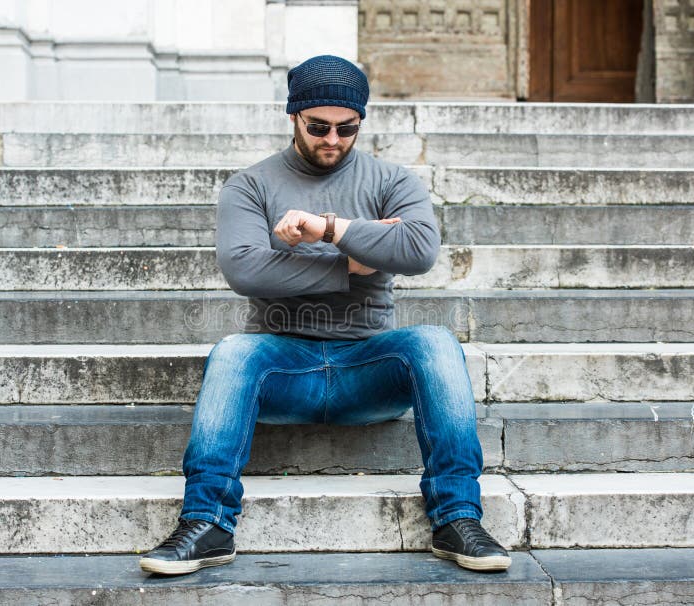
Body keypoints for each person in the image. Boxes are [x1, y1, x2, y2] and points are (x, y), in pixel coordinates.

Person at [139, 55, 511, 575]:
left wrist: (328, 228)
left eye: (346, 128)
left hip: (367, 366)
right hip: (281, 363)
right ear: (293, 117)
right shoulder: (250, 186)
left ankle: (457, 518)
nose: (332, 139)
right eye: (318, 127)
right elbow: (245, 269)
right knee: (231, 352)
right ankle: (208, 523)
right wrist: (356, 263)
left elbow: (420, 249)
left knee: (434, 342)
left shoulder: (391, 180)